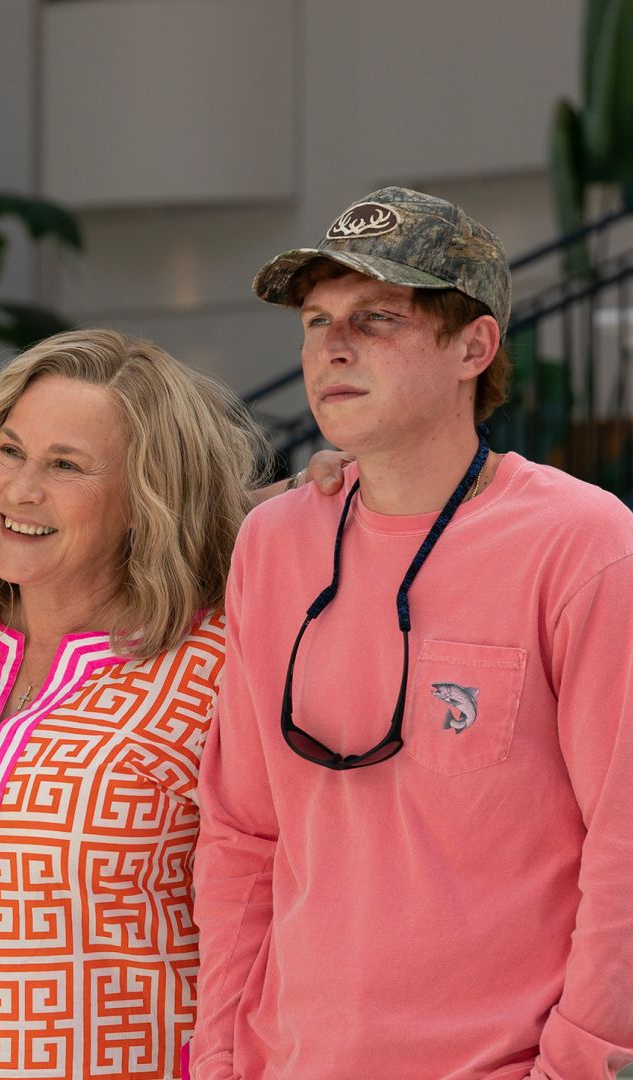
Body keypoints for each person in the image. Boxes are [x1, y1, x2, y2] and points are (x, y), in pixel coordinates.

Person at [191, 187, 633, 1079]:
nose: (333, 347)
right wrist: (223, 1053)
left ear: (474, 346)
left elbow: (625, 840)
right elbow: (242, 832)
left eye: (376, 318)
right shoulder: (275, 544)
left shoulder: (583, 544)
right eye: (316, 322)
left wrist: (575, 1064)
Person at [0, 329, 266, 1080]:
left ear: (146, 498)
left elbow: (282, 904)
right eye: (10, 452)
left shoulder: (219, 663)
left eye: (66, 465)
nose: (19, 490)